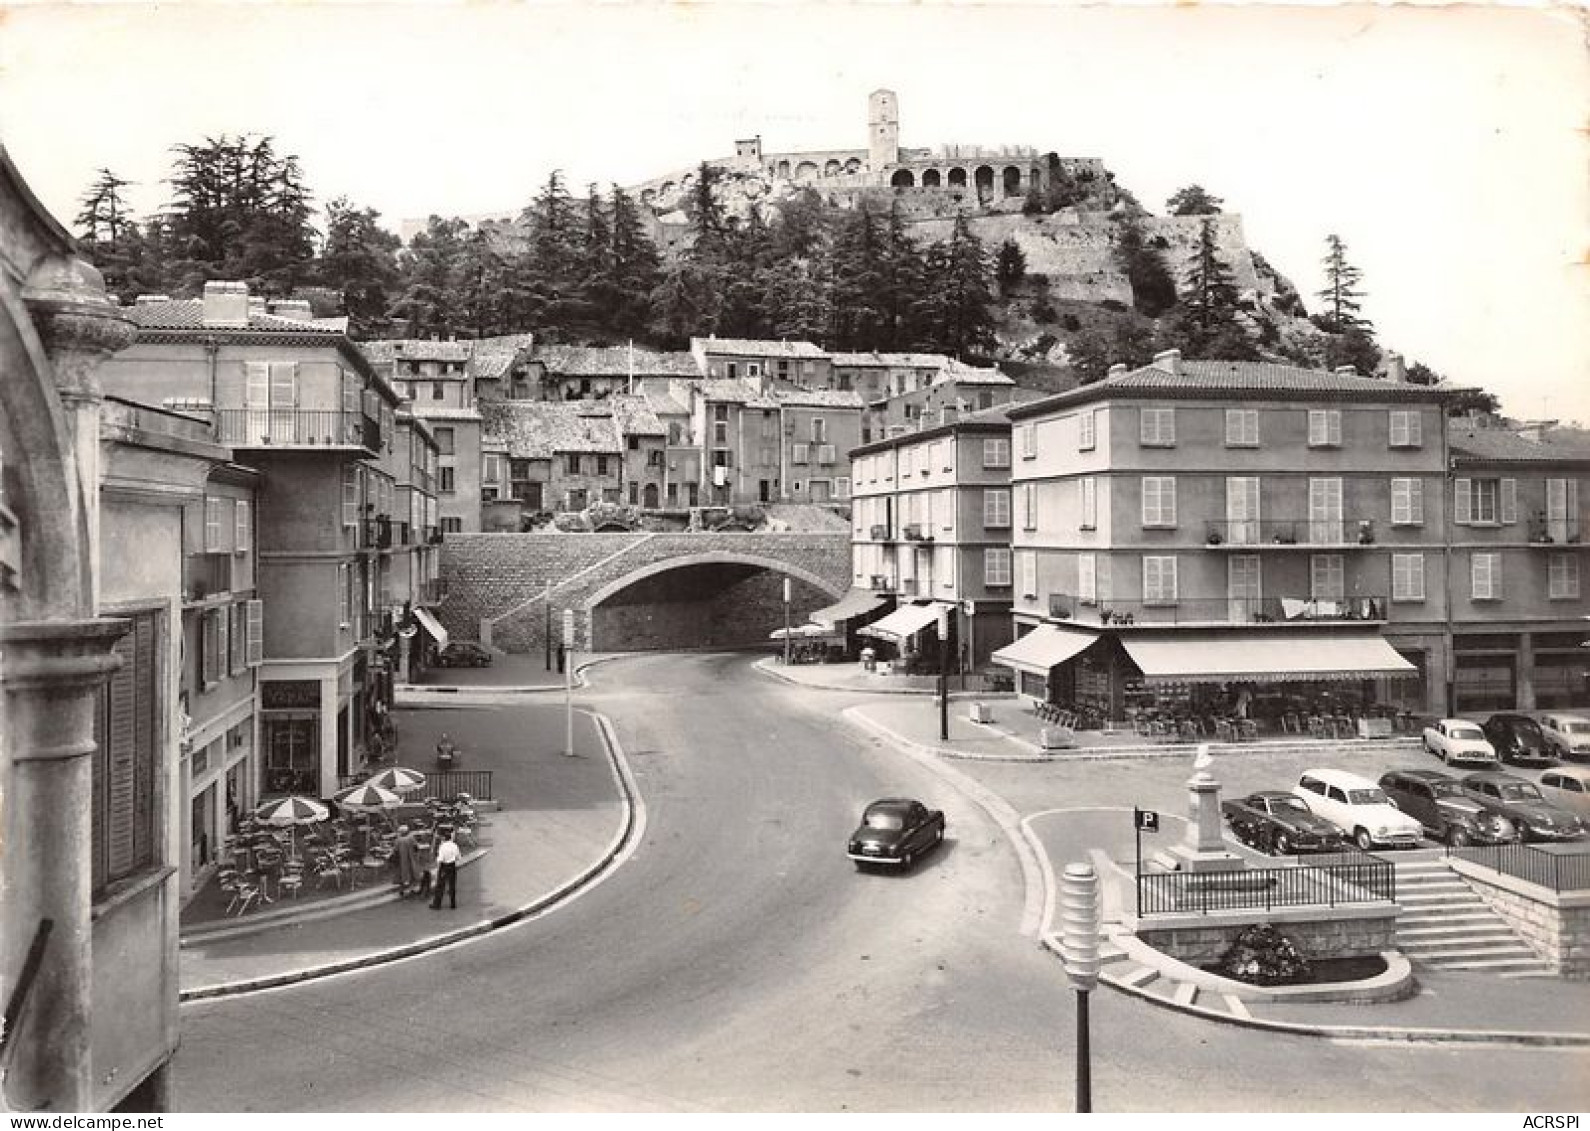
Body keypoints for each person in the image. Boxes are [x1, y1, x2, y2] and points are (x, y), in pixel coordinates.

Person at [430, 831, 460, 910]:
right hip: (452, 866)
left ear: (444, 838)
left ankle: (437, 904)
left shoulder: (442, 846)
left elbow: (440, 859)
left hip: (444, 866)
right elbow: (458, 857)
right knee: (452, 885)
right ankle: (453, 904)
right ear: (450, 838)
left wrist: (438, 868)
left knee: (440, 885)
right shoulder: (454, 845)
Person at [394, 825, 419, 897]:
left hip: (402, 860)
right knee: (412, 873)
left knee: (402, 875)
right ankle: (412, 889)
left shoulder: (398, 840)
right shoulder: (411, 838)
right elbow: (416, 847)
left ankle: (401, 890)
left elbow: (395, 850)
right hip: (411, 859)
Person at [414, 833, 436, 899]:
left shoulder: (426, 846)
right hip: (423, 864)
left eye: (423, 837)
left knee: (426, 877)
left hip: (425, 864)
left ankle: (426, 891)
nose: (422, 838)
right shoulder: (425, 846)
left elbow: (421, 852)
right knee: (424, 877)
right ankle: (423, 890)